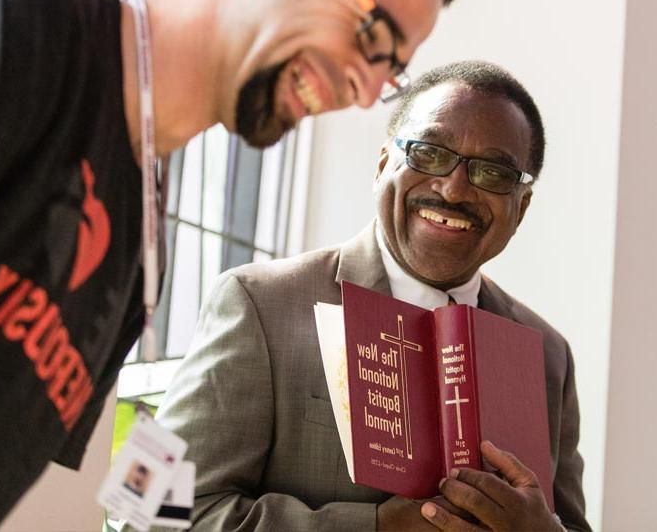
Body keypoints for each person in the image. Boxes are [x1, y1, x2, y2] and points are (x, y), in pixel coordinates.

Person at [0, 0, 471, 529]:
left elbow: (150, 503)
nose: (365, 94)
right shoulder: (22, 15)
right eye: (372, 34)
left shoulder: (141, 244)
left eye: (388, 72)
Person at [144, 61, 591, 532]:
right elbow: (149, 510)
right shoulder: (257, 304)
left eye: (493, 172)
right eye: (429, 153)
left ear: (520, 208)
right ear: (383, 166)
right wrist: (374, 527)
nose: (454, 188)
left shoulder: (546, 354)